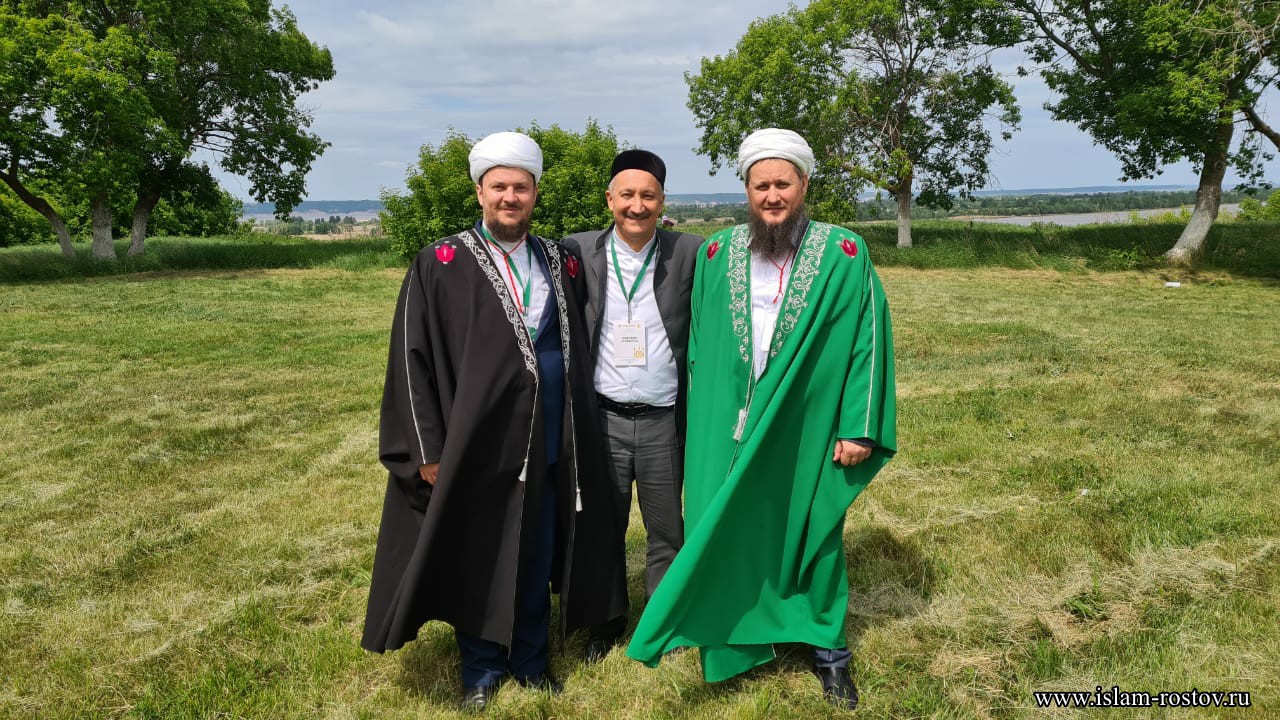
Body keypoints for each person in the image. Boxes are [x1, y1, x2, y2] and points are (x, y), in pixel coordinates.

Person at [625, 128, 897, 710]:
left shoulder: (845, 252)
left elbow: (868, 342)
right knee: (725, 523)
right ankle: (734, 637)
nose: (772, 196)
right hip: (728, 422)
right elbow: (699, 345)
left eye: (783, 184)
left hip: (807, 422)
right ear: (746, 191)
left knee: (812, 530)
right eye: (760, 186)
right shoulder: (719, 253)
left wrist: (859, 425)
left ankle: (827, 650)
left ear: (804, 185)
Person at [361, 131, 627, 712]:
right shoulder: (441, 263)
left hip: (548, 441)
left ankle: (530, 660)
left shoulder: (559, 260)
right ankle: (481, 669)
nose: (510, 197)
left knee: (535, 555)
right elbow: (411, 359)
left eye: (521, 188)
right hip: (477, 445)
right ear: (480, 192)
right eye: (499, 187)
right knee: (479, 555)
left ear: (535, 193)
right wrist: (429, 450)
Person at [562, 150, 701, 661]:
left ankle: (663, 622)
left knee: (667, 529)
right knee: (604, 527)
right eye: (627, 195)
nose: (637, 206)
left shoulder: (690, 252)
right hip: (605, 418)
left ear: (663, 201)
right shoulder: (578, 251)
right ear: (610, 199)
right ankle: (606, 623)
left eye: (648, 196)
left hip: (664, 418)